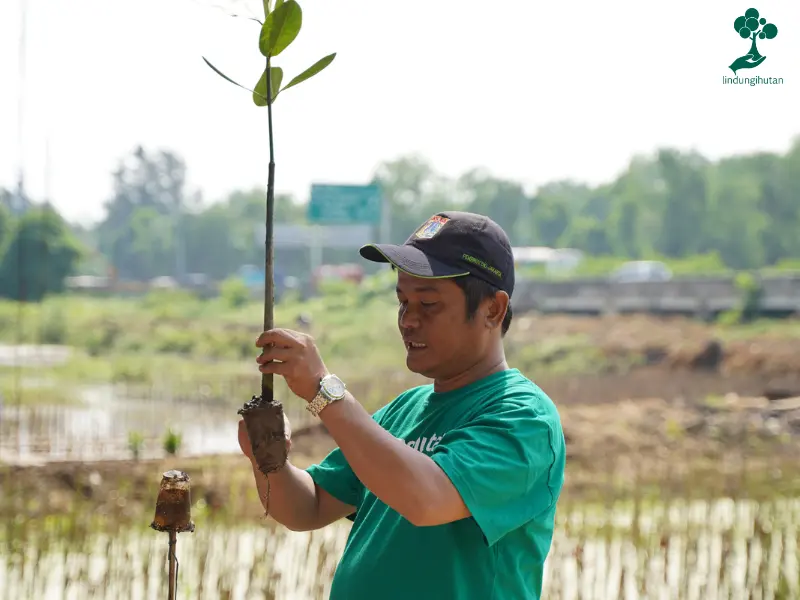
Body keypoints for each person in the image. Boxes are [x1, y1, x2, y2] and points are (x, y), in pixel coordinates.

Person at [238, 211, 566, 600]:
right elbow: (307, 507)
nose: (408, 320)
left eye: (428, 304)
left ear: (492, 310)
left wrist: (324, 392)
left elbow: (427, 499)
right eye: (402, 301)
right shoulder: (404, 410)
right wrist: (267, 459)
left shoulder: (523, 417)